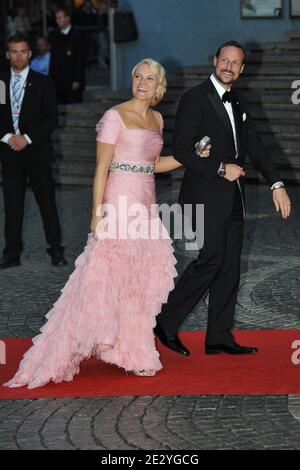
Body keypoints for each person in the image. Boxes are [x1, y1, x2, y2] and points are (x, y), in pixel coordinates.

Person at [3, 58, 209, 389]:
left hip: (145, 206)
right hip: (118, 202)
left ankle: (131, 349)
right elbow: (101, 169)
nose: (142, 82)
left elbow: (154, 164)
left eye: (149, 78)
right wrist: (96, 214)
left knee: (139, 282)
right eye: (137, 76)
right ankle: (83, 343)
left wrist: (193, 155)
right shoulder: (114, 116)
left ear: (159, 86)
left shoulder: (156, 119)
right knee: (102, 280)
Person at [154, 40, 291, 357]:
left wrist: (277, 183)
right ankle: (165, 322)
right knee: (212, 259)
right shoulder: (195, 98)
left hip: (233, 198)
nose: (228, 66)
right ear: (215, 60)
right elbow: (182, 151)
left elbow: (256, 148)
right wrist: (219, 168)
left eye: (235, 63)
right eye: (224, 60)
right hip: (203, 195)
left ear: (242, 69)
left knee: (229, 266)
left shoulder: (240, 102)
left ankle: (218, 336)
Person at [0, 33, 67, 269]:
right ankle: (11, 253)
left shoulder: (44, 83)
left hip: (36, 151)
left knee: (47, 203)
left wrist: (26, 139)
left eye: (23, 51)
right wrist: (9, 138)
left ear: (30, 53)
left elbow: (51, 120)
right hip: (9, 152)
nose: (18, 56)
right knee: (12, 204)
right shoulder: (0, 84)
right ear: (8, 54)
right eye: (14, 51)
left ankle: (56, 250)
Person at [49, 7, 85, 104]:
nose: (58, 21)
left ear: (67, 18)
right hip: (58, 80)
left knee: (75, 107)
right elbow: (53, 59)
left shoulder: (77, 35)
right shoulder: (54, 36)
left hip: (72, 79)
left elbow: (80, 59)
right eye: (56, 18)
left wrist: (77, 79)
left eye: (60, 18)